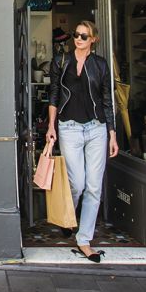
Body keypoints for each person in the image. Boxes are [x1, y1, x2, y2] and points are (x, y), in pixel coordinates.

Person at [46, 20, 118, 263]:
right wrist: (51, 127)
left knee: (94, 186)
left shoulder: (100, 65)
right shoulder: (61, 61)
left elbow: (107, 100)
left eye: (84, 36)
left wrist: (112, 133)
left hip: (96, 128)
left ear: (93, 39)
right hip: (70, 128)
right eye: (76, 35)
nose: (78, 39)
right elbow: (54, 94)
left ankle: (84, 239)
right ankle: (69, 216)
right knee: (77, 183)